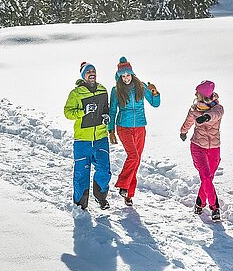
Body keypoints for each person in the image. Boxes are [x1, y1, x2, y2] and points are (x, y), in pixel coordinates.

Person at [108, 56, 160, 206]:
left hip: (140, 127)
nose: (126, 78)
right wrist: (111, 130)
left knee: (136, 161)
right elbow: (112, 111)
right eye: (123, 76)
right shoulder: (116, 90)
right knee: (133, 156)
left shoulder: (141, 86)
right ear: (119, 77)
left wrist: (155, 92)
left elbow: (155, 104)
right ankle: (123, 185)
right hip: (123, 127)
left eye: (128, 75)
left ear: (132, 74)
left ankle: (128, 195)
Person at [63, 62, 111, 211]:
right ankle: (80, 204)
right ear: (83, 75)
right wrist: (83, 111)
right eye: (88, 71)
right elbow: (68, 113)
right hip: (82, 139)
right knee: (81, 172)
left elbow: (106, 108)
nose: (92, 73)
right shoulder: (76, 93)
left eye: (93, 70)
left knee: (104, 169)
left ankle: (101, 197)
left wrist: (107, 117)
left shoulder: (103, 90)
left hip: (101, 137)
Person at [180, 79, 225, 222]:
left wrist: (205, 117)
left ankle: (200, 202)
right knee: (205, 177)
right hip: (198, 146)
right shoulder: (194, 109)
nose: (195, 94)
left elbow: (215, 115)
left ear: (204, 95)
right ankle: (214, 208)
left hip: (214, 149)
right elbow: (188, 121)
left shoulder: (218, 108)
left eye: (197, 92)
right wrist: (183, 131)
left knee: (208, 178)